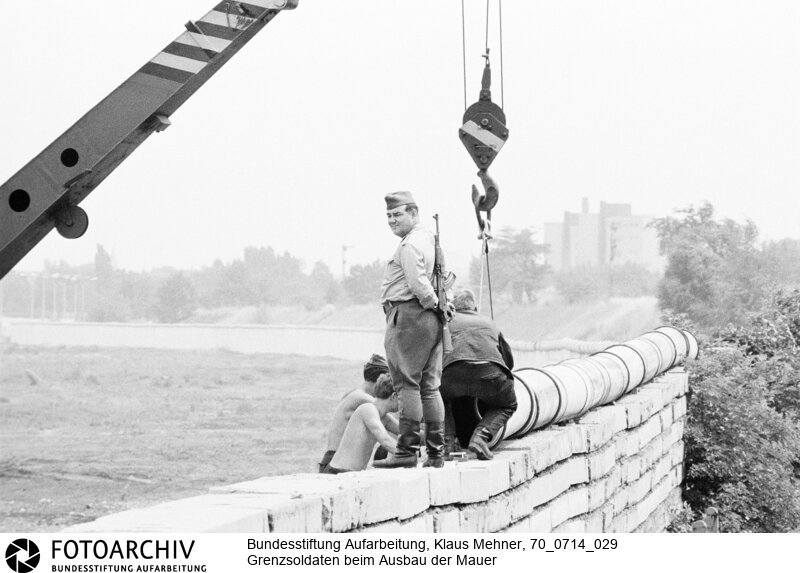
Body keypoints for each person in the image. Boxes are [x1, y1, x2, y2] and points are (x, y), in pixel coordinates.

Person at [373, 191, 453, 469]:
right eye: (389, 216)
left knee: (406, 383)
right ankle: (435, 453)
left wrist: (432, 302)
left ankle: (406, 451)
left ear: (414, 213)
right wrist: (441, 307)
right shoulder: (429, 240)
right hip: (430, 318)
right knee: (430, 387)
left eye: (398, 214)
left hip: (408, 316)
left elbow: (418, 283)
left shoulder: (409, 246)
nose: (392, 220)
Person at [441, 289, 517, 460]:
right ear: (474, 307)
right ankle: (480, 437)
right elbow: (508, 363)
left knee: (436, 397)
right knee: (507, 405)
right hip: (490, 376)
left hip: (452, 376)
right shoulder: (489, 323)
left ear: (453, 307)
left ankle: (447, 442)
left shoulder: (445, 322)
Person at [318, 355, 394, 473]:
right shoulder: (363, 399)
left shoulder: (354, 393)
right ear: (380, 380)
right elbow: (389, 421)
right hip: (336, 461)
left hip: (332, 457)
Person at [323, 386, 399, 474]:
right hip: (337, 472)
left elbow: (408, 433)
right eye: (403, 399)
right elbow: (385, 440)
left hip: (350, 473)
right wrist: (405, 455)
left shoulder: (384, 418)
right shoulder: (368, 409)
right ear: (394, 396)